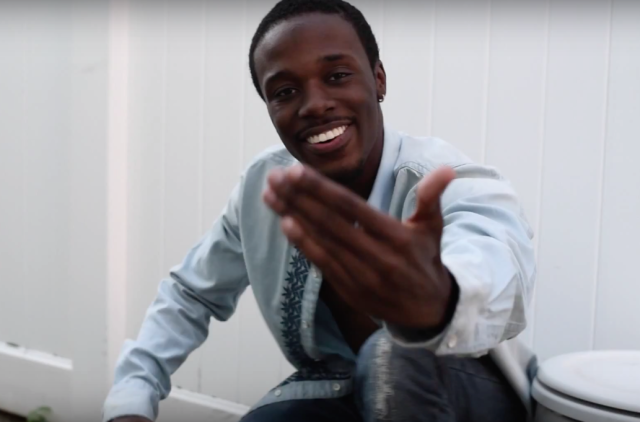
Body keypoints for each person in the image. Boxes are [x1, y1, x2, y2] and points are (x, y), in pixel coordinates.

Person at [103, 1, 538, 421]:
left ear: (379, 80)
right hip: (338, 388)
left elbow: (497, 261)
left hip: (464, 389)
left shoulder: (442, 180)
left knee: (393, 354)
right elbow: (191, 293)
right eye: (285, 92)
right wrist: (131, 399)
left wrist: (439, 297)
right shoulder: (267, 189)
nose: (313, 104)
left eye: (337, 75)